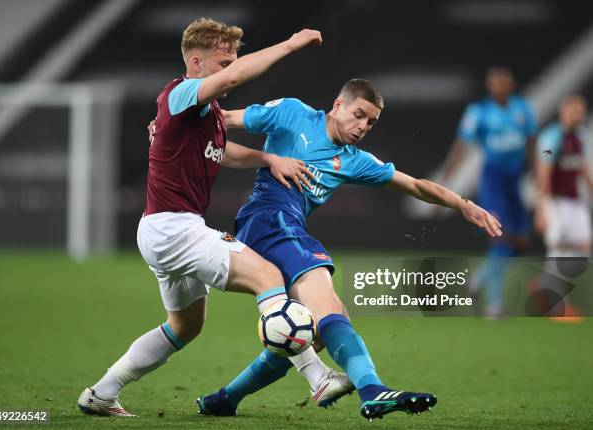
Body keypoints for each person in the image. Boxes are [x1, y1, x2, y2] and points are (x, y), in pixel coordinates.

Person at [197, 79, 502, 421]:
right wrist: (171, 122)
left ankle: (226, 399)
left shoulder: (354, 160)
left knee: (312, 332)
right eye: (359, 115)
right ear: (338, 105)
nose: (363, 127)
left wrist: (463, 205)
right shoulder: (292, 113)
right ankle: (373, 390)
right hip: (269, 219)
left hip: (284, 227)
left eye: (370, 122)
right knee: (326, 307)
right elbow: (223, 117)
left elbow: (415, 185)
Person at [77, 18, 323, 417]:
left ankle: (102, 393)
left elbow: (224, 152)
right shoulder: (180, 93)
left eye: (232, 61)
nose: (231, 71)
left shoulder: (206, 115)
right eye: (224, 64)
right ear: (195, 61)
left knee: (185, 327)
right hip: (175, 228)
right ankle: (317, 376)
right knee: (269, 277)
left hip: (164, 230)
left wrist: (267, 158)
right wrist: (291, 44)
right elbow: (239, 76)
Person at [440, 67, 537, 317]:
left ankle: (478, 280)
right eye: (495, 83)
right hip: (493, 181)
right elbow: (461, 144)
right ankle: (495, 305)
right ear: (489, 86)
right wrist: (447, 176)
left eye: (504, 82)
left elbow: (532, 142)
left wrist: (538, 172)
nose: (500, 87)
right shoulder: (479, 112)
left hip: (513, 181)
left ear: (511, 85)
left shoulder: (522, 109)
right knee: (500, 236)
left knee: (521, 240)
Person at [536, 95, 592, 257]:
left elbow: (584, 169)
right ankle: (549, 282)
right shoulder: (551, 139)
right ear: (563, 112)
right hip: (555, 202)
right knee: (557, 247)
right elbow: (543, 172)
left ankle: (549, 282)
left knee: (584, 246)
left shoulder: (581, 138)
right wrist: (541, 208)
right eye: (574, 111)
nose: (577, 116)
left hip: (575, 200)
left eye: (581, 112)